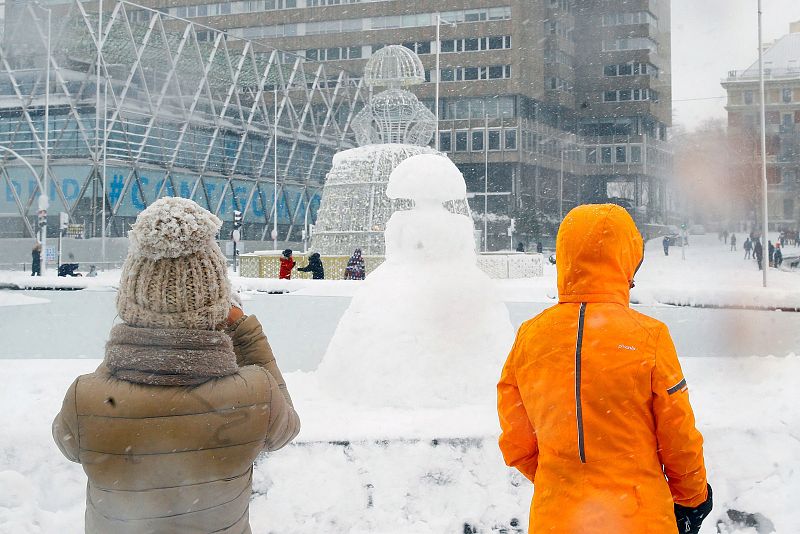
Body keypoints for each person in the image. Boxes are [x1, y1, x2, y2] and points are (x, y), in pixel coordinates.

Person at [52, 197, 300, 534]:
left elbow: (69, 445)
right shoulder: (256, 393)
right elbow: (287, 428)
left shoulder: (86, 398)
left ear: (131, 300)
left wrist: (131, 341)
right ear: (219, 304)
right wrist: (245, 330)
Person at [498, 204, 712, 534]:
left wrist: (562, 477)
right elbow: (678, 434)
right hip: (638, 516)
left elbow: (516, 439)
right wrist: (694, 497)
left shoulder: (531, 335)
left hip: (557, 517)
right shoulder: (648, 337)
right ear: (626, 261)